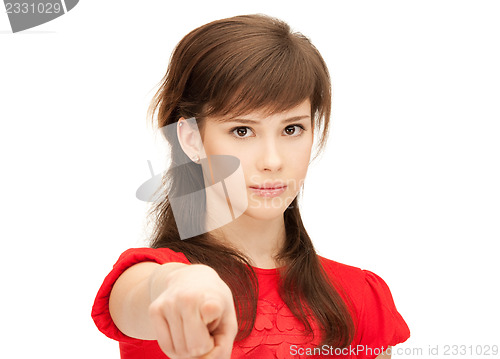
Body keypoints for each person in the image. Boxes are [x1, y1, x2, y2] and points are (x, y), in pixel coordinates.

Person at [91, 13, 410, 359]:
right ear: (191, 139)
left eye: (292, 129)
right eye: (242, 131)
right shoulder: (149, 278)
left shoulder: (360, 296)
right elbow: (146, 296)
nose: (272, 160)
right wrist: (179, 283)